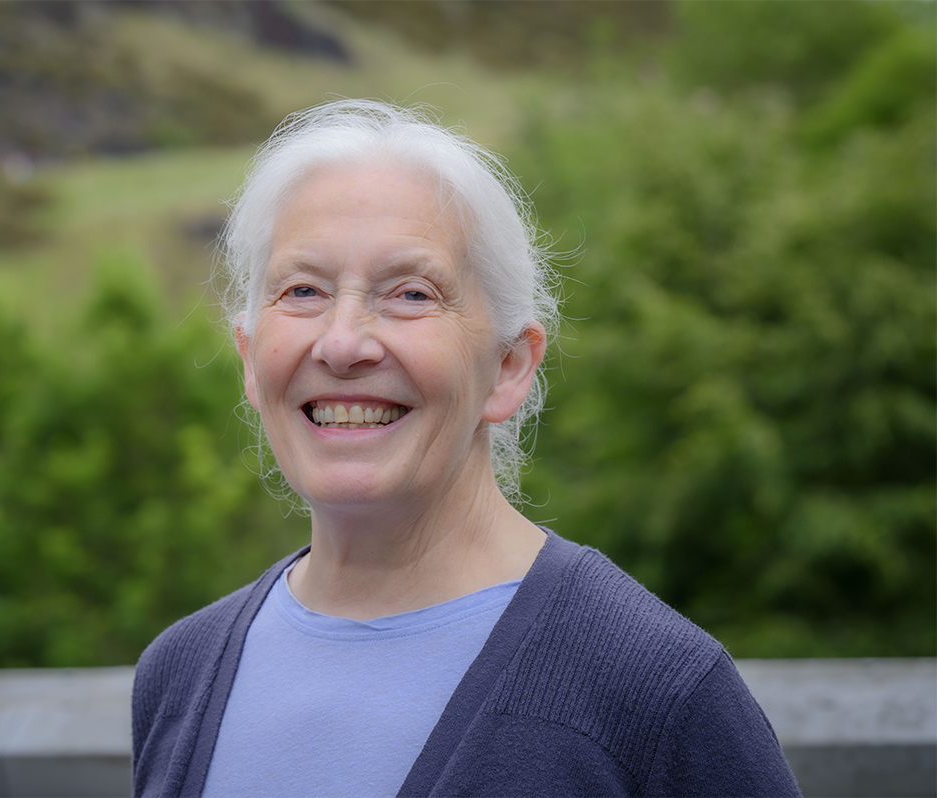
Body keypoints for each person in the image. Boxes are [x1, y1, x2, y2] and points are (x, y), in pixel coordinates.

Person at [130, 99, 802, 798]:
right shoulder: (178, 675)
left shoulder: (653, 689)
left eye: (411, 294)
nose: (342, 342)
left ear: (509, 367)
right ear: (247, 354)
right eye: (303, 290)